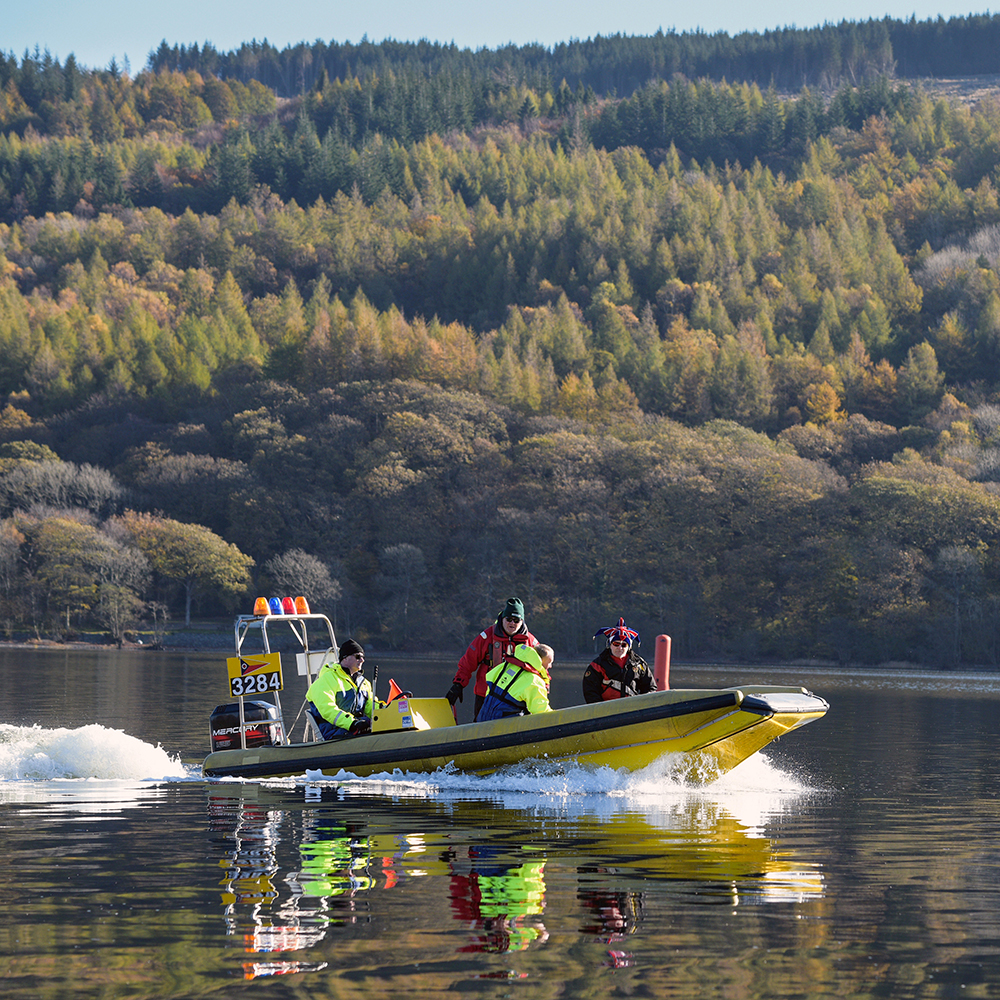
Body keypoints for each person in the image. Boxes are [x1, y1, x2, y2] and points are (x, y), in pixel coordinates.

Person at [447, 597, 538, 720]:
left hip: (517, 697)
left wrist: (543, 691)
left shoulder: (531, 642)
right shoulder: (487, 637)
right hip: (486, 694)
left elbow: (542, 669)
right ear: (502, 618)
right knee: (480, 728)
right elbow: (469, 661)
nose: (512, 623)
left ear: (522, 621)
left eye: (516, 620)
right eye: (509, 619)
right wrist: (458, 684)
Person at [306, 639, 379, 739]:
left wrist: (388, 710)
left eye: (363, 657)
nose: (362, 660)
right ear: (345, 658)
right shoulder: (327, 680)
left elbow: (371, 706)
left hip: (358, 729)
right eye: (358, 656)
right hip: (334, 732)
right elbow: (328, 709)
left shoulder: (364, 683)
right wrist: (352, 723)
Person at [583, 618, 654, 703]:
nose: (619, 648)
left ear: (629, 647)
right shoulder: (598, 665)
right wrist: (600, 709)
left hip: (632, 708)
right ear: (610, 645)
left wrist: (641, 705)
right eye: (616, 644)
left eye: (624, 645)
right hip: (606, 709)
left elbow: (650, 687)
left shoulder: (639, 664)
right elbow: (590, 690)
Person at [477, 643, 552, 722]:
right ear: (541, 660)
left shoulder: (506, 666)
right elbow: (541, 711)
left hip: (483, 717)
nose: (550, 666)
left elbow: (489, 688)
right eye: (550, 662)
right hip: (505, 724)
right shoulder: (534, 680)